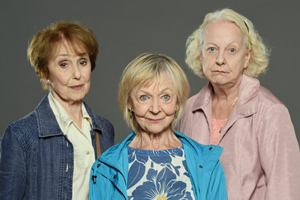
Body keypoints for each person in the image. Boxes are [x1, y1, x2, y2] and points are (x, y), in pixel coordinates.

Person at [177, 8, 300, 200]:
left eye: (231, 50)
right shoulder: (188, 110)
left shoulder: (270, 112)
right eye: (212, 49)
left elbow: (286, 191)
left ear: (247, 57)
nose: (219, 60)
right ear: (200, 55)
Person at [0, 21, 114, 200]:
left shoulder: (104, 129)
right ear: (45, 74)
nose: (77, 74)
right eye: (63, 64)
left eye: (82, 62)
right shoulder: (20, 136)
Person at [89, 53, 228, 200]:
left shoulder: (208, 164)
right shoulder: (105, 168)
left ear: (177, 103)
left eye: (165, 97)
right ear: (130, 104)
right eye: (144, 97)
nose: (155, 109)